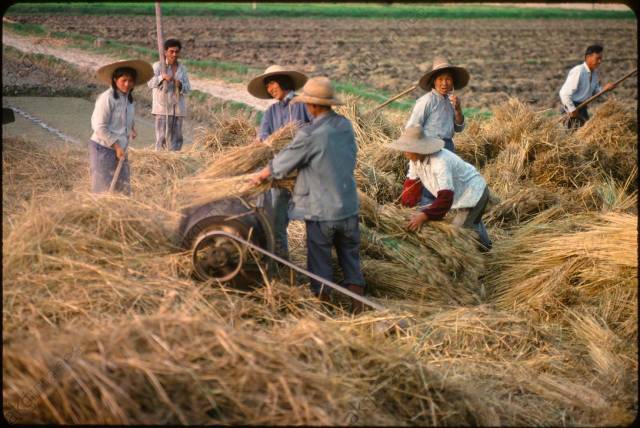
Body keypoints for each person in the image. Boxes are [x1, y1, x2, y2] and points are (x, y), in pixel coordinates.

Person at [250, 76, 366, 313]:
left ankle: (324, 312)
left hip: (322, 211)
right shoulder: (345, 125)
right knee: (351, 260)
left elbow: (284, 161)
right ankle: (358, 308)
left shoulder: (311, 134)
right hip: (349, 207)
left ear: (311, 106)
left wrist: (262, 175)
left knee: (320, 263)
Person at [389, 125, 492, 251]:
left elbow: (446, 197)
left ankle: (480, 255)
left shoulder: (439, 162)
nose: (405, 152)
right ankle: (487, 248)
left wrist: (424, 216)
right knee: (472, 222)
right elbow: (411, 185)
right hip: (460, 195)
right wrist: (403, 209)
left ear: (418, 149)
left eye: (407, 148)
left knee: (459, 232)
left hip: (473, 194)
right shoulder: (414, 160)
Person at [247, 65, 312, 259]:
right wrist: (262, 143)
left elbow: (316, 129)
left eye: (272, 83)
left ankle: (316, 260)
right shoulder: (271, 112)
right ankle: (281, 259)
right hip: (280, 172)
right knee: (276, 218)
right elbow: (264, 137)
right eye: (267, 86)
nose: (270, 88)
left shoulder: (303, 104)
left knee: (313, 218)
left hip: (304, 170)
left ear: (283, 82)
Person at [406, 57, 469, 205]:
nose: (444, 83)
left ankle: (439, 214)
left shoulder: (451, 101)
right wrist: (416, 150)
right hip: (430, 147)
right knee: (430, 186)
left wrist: (458, 110)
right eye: (441, 79)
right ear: (434, 81)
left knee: (445, 185)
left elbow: (459, 128)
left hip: (447, 147)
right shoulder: (427, 101)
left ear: (452, 82)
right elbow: (412, 126)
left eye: (448, 79)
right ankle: (425, 213)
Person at [89, 59, 153, 194]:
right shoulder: (107, 98)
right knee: (103, 188)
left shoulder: (128, 98)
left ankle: (122, 213)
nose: (127, 84)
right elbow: (99, 126)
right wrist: (116, 147)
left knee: (122, 188)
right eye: (123, 80)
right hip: (104, 148)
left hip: (121, 149)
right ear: (115, 79)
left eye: (130, 81)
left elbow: (125, 117)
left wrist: (132, 128)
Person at [148, 38, 191, 151]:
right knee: (161, 138)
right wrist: (162, 77)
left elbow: (188, 89)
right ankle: (161, 161)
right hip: (162, 108)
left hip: (178, 109)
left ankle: (174, 161)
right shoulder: (158, 66)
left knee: (177, 139)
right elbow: (150, 83)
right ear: (165, 52)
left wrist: (180, 85)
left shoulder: (182, 69)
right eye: (171, 51)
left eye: (177, 52)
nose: (174, 54)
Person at [559, 44, 616, 129]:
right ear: (588, 57)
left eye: (601, 59)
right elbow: (564, 93)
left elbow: (596, 91)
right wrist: (572, 109)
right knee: (571, 137)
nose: (600, 61)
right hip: (572, 107)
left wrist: (605, 89)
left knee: (584, 135)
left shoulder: (594, 74)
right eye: (597, 58)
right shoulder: (579, 71)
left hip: (582, 108)